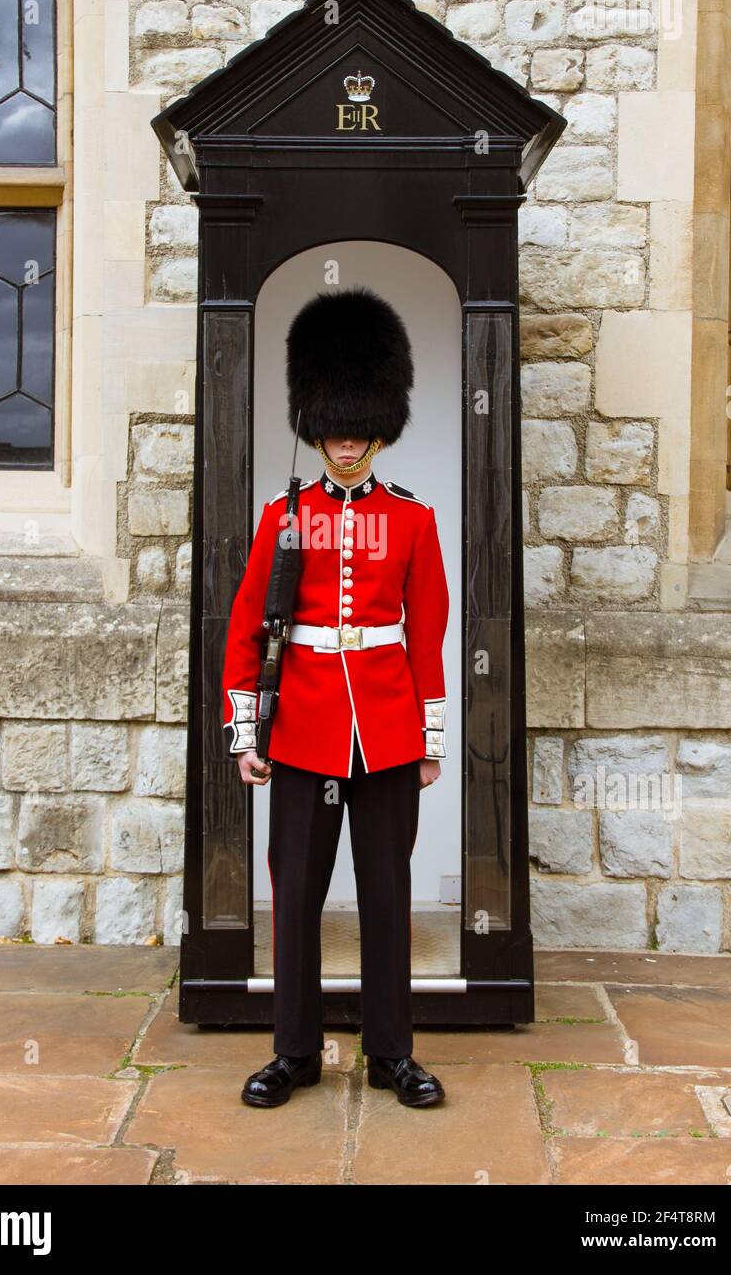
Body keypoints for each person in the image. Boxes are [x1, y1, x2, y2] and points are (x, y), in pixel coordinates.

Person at [221, 285, 450, 1108]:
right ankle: (295, 1052)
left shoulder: (413, 521)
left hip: (385, 730)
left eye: (359, 428)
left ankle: (393, 1053)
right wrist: (247, 729)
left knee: (387, 896)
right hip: (302, 732)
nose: (347, 444)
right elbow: (247, 627)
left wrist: (429, 738)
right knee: (297, 898)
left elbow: (425, 637)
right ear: (314, 423)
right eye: (333, 427)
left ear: (380, 426)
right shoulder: (282, 516)